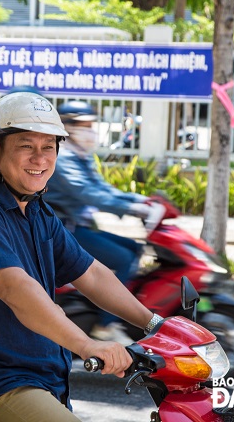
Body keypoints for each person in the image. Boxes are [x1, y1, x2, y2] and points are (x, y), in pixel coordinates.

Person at [0, 91, 160, 421]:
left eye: (49, 147)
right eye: (26, 145)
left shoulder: (38, 212)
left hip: (47, 380)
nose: (40, 158)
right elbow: (15, 289)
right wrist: (88, 345)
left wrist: (154, 323)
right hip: (0, 381)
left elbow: (92, 274)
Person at [43, 100, 164, 343]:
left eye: (91, 124)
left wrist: (141, 201)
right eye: (83, 125)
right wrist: (133, 208)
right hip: (65, 232)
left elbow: (104, 189)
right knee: (124, 258)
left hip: (80, 227)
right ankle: (105, 325)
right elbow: (89, 194)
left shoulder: (81, 156)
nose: (89, 130)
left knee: (135, 248)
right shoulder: (65, 158)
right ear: (68, 128)